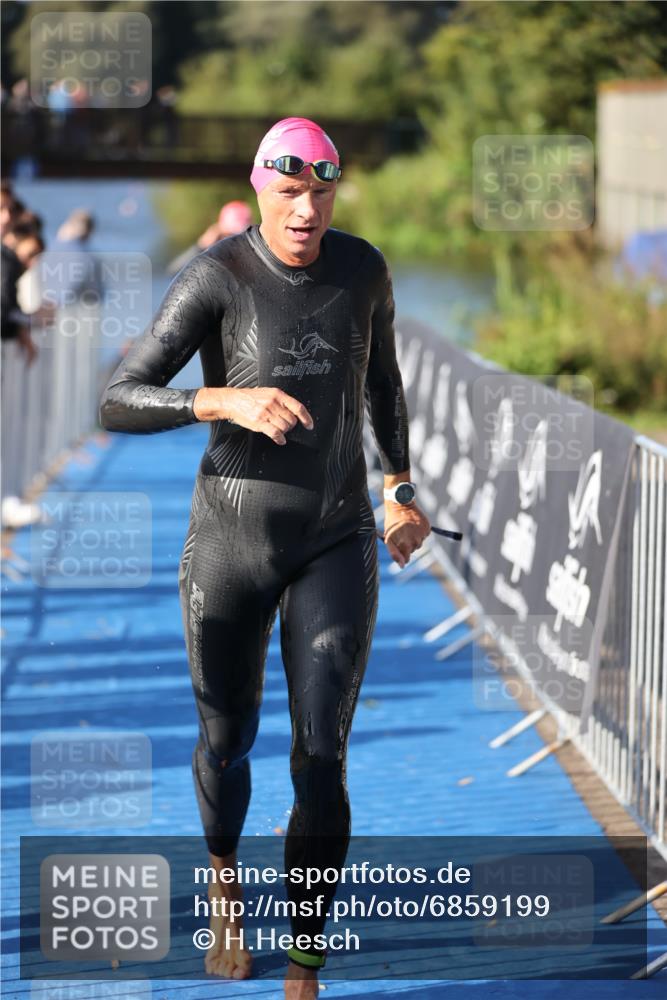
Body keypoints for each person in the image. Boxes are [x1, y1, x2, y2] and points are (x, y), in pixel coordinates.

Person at [99, 116, 430, 999]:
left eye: (321, 191)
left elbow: (383, 381)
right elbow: (118, 397)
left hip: (334, 535)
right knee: (227, 739)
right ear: (258, 190)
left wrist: (398, 488)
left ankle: (304, 968)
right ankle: (222, 881)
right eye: (289, 192)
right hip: (231, 541)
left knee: (321, 757)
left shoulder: (362, 268)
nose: (306, 210)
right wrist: (220, 400)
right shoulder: (217, 275)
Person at [165, 199, 253, 274]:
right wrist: (201, 246)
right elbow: (173, 272)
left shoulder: (252, 251)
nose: (235, 241)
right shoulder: (211, 252)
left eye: (241, 236)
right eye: (230, 235)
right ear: (220, 232)